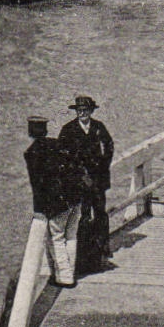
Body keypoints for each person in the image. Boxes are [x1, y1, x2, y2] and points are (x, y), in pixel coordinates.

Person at [59, 95, 115, 274]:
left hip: (98, 179)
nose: (82, 113)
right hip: (79, 181)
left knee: (100, 213)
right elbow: (63, 156)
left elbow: (109, 146)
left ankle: (103, 247)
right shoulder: (68, 130)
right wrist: (79, 174)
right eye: (79, 110)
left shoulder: (99, 127)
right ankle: (82, 253)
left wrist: (103, 166)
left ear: (91, 111)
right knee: (82, 216)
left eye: (85, 110)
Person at [23, 117, 81, 287]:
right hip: (74, 198)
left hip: (58, 204)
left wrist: (40, 209)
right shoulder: (57, 145)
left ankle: (65, 277)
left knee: (56, 238)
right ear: (46, 131)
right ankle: (69, 271)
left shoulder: (31, 153)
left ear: (30, 133)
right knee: (70, 236)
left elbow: (38, 184)